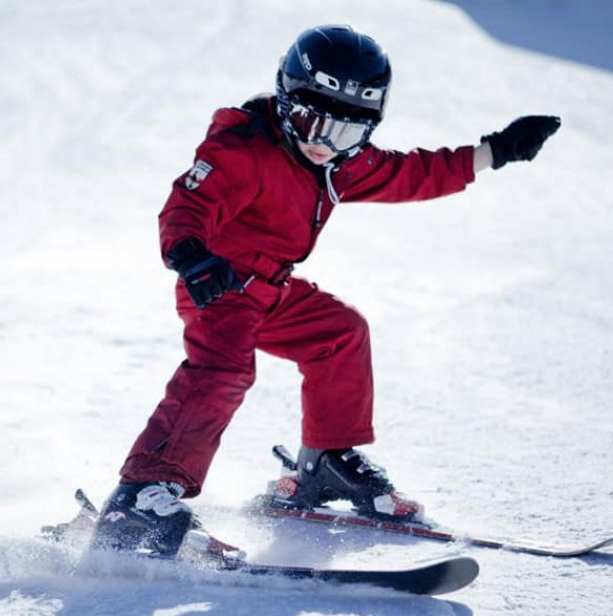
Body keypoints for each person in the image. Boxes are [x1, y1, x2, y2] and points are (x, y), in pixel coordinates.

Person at [91, 24, 560, 557]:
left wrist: (495, 151)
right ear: (289, 103)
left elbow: (412, 173)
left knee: (340, 332)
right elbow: (188, 203)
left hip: (270, 288)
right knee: (223, 371)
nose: (322, 143)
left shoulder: (337, 165)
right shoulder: (244, 146)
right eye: (312, 123)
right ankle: (141, 496)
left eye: (345, 133)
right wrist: (191, 255)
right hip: (220, 284)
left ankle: (325, 463)